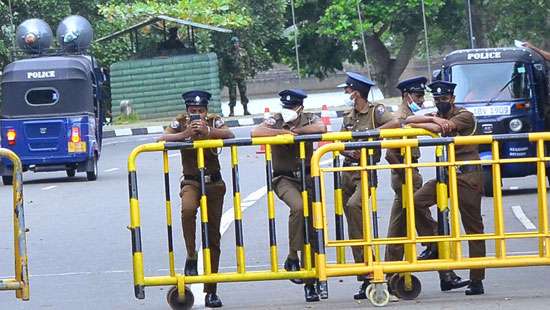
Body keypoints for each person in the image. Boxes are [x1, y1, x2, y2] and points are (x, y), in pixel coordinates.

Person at [403, 81, 486, 295]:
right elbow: (409, 119)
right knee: (416, 202)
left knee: (473, 227)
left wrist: (431, 122)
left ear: (452, 98)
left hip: (468, 176)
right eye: (437, 100)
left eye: (444, 99)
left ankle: (477, 279)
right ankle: (435, 242)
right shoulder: (439, 114)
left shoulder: (464, 115)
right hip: (447, 174)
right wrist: (431, 117)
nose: (440, 103)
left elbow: (441, 128)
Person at [158, 90, 235, 308]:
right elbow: (161, 138)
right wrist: (184, 135)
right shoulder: (180, 122)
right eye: (193, 111)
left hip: (214, 183)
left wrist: (208, 131)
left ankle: (211, 290)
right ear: (187, 111)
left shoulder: (214, 121)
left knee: (213, 237)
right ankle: (191, 254)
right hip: (191, 181)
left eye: (201, 111)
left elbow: (229, 134)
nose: (197, 115)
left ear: (206, 111)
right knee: (188, 210)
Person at [251, 89, 327, 302]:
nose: (289, 110)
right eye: (286, 107)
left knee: (312, 230)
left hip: (307, 178)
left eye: (293, 107)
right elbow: (256, 132)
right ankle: (293, 256)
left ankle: (310, 283)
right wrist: (280, 133)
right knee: (299, 208)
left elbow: (321, 127)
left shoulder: (309, 118)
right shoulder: (275, 120)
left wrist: (297, 132)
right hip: (284, 179)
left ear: (300, 107)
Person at [337, 72, 400, 300]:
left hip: (366, 171)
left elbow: (396, 123)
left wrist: (372, 136)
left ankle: (372, 270)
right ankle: (365, 276)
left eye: (348, 90)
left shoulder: (376, 111)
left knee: (355, 208)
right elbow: (340, 140)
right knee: (355, 228)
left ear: (357, 92)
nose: (346, 94)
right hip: (347, 171)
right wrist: (346, 148)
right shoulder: (348, 116)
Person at [384, 77, 438, 274]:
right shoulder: (400, 118)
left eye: (422, 96)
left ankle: (390, 271)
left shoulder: (410, 115)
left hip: (407, 173)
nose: (421, 100)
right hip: (405, 175)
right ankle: (437, 247)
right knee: (422, 215)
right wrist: (407, 175)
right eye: (418, 96)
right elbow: (390, 154)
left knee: (399, 227)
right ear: (407, 96)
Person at [225, 37, 250, 116]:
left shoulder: (243, 52)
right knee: (232, 94)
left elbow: (247, 63)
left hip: (241, 75)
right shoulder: (228, 53)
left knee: (243, 93)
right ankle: (231, 111)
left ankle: (245, 110)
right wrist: (227, 75)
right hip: (232, 76)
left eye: (236, 43)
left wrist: (246, 72)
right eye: (233, 43)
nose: (235, 44)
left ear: (238, 43)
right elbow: (224, 65)